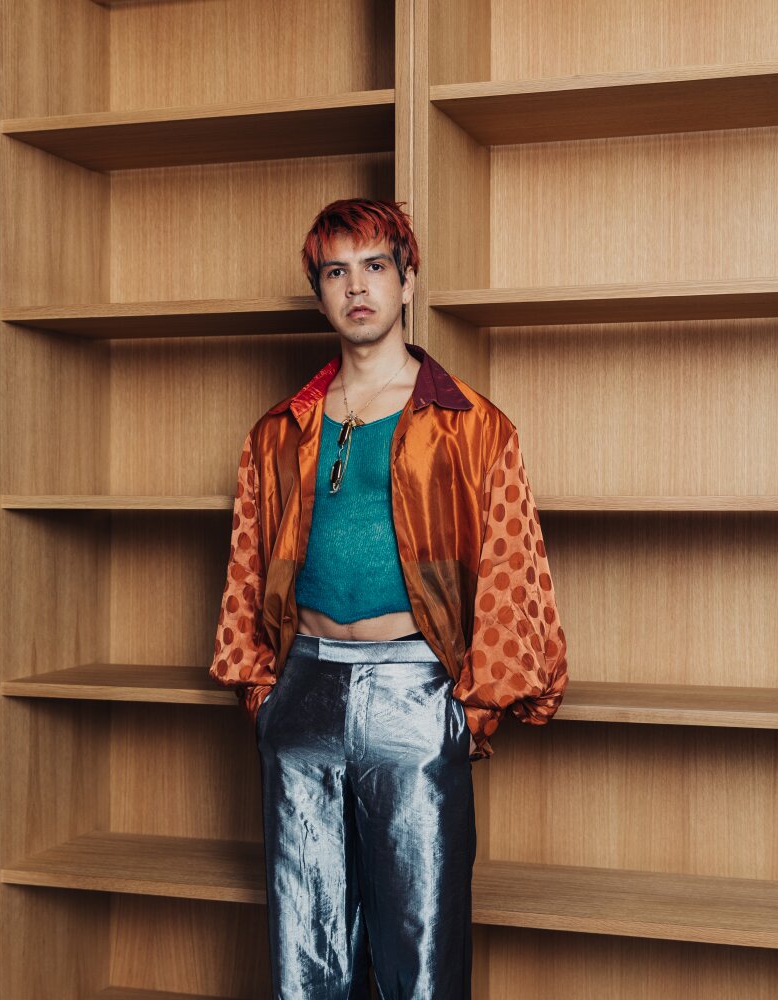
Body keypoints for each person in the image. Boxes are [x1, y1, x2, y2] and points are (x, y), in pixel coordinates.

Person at [209, 197, 568, 999]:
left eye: (375, 266)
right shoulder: (278, 430)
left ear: (407, 282)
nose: (357, 286)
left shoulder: (472, 426)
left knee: (422, 953)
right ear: (320, 292)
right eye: (337, 271)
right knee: (306, 953)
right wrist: (265, 695)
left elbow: (512, 572)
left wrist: (465, 713)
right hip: (303, 688)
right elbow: (244, 570)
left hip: (414, 691)